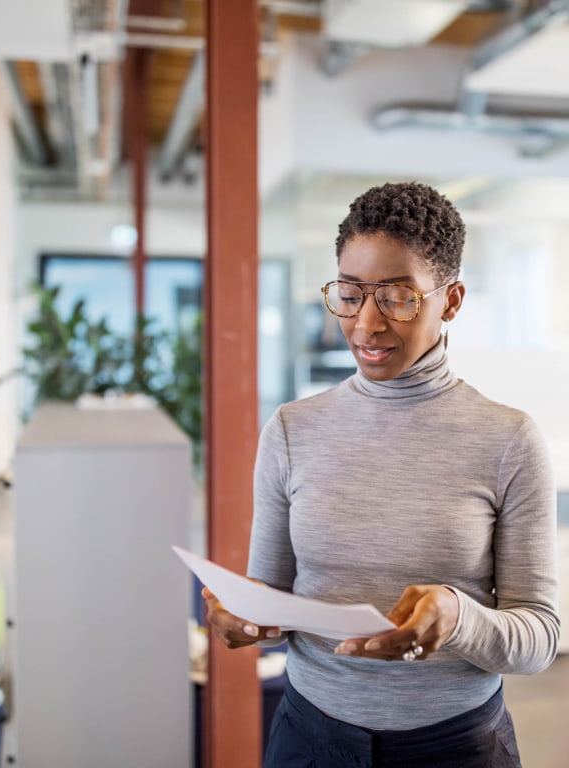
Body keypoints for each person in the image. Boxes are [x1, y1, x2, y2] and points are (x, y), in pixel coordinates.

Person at [204, 181, 558, 767]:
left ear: (452, 300)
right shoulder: (294, 430)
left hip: (456, 748)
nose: (366, 324)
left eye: (396, 297)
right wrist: (243, 616)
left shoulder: (508, 439)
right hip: (310, 739)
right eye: (348, 294)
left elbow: (540, 639)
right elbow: (269, 593)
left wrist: (457, 617)